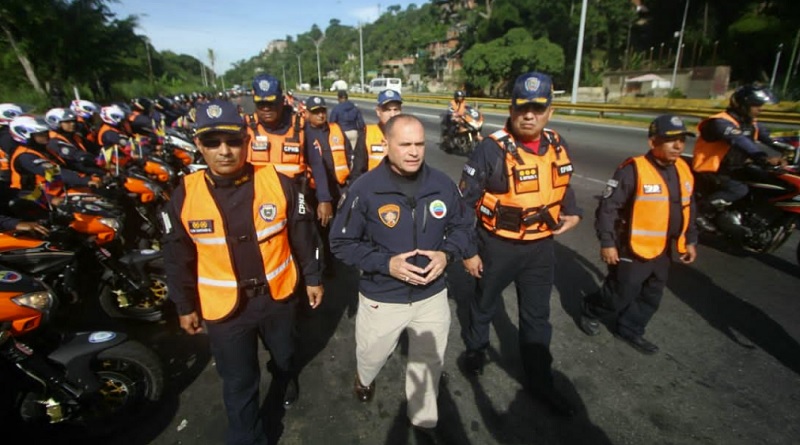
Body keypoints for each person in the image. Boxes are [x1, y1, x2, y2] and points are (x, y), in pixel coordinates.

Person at [160, 99, 323, 445]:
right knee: (238, 382)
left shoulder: (277, 182)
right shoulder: (184, 195)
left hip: (278, 299)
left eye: (233, 141)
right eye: (213, 142)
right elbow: (176, 257)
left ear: (247, 141)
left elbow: (304, 235)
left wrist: (313, 277)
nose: (224, 151)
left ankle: (284, 377)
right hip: (225, 311)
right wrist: (184, 305)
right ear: (199, 145)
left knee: (285, 356)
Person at [330, 114, 475, 436]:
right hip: (382, 298)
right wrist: (386, 264)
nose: (414, 152)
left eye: (419, 144)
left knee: (428, 364)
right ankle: (364, 379)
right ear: (386, 145)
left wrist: (447, 254)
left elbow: (463, 226)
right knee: (372, 356)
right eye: (405, 144)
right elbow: (341, 243)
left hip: (432, 296)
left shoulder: (442, 184)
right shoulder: (364, 189)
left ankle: (421, 422)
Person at [458, 72, 582, 416]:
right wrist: (468, 252)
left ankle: (541, 381)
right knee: (484, 303)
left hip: (541, 248)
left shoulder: (557, 143)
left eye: (537, 108)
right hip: (497, 246)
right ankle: (476, 348)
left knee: (537, 316)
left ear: (550, 112)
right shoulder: (490, 149)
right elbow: (463, 205)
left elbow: (562, 182)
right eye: (522, 107)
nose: (529, 115)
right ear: (511, 109)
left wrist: (573, 211)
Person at [579, 115, 698, 355]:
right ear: (653, 142)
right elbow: (608, 208)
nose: (678, 146)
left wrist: (690, 239)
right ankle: (591, 310)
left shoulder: (683, 168)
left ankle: (630, 328)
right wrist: (607, 242)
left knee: (652, 294)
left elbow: (689, 207)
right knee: (621, 292)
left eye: (682, 140)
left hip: (662, 249)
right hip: (632, 246)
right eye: (671, 140)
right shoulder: (633, 169)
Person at [692, 84, 788, 231]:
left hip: (736, 167)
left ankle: (750, 219)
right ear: (742, 105)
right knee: (738, 190)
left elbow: (772, 140)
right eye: (756, 105)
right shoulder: (720, 122)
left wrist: (792, 148)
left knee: (771, 180)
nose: (760, 109)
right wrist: (762, 157)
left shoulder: (750, 123)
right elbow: (738, 139)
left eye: (760, 105)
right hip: (713, 169)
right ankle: (699, 212)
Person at [245, 74, 328, 204]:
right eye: (261, 104)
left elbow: (317, 163)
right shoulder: (246, 127)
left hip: (296, 199)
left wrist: (324, 199)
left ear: (282, 101)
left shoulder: (301, 126)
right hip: (259, 199)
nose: (266, 108)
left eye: (271, 103)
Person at [349, 90, 403, 183]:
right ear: (378, 112)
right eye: (387, 110)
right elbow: (357, 172)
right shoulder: (367, 134)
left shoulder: (408, 134)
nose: (392, 115)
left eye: (396, 110)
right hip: (374, 187)